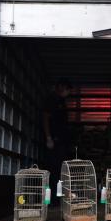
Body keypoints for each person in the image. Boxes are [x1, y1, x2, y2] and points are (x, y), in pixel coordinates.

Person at [43, 77, 72, 205]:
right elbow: (45, 118)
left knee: (61, 169)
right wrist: (49, 137)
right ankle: (54, 200)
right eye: (68, 90)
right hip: (54, 141)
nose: (68, 93)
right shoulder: (52, 100)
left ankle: (59, 198)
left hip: (61, 140)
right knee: (55, 170)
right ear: (61, 87)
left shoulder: (61, 101)